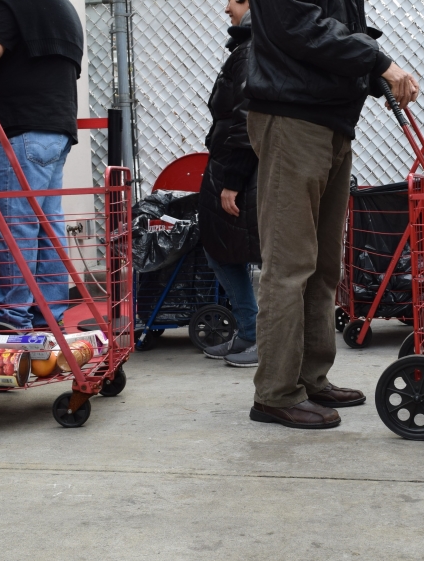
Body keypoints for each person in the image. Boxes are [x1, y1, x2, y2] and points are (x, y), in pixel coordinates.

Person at [245, 0, 419, 429]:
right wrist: (379, 61)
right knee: (289, 265)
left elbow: (338, 30)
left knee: (324, 265)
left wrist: (370, 71)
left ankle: (309, 377)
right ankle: (276, 393)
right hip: (293, 115)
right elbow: (298, 26)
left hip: (331, 119)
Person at [0, 0, 84, 330]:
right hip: (56, 130)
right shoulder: (64, 10)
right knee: (49, 228)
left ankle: (11, 320)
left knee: (15, 229)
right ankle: (48, 318)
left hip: (18, 132)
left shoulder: (10, 4)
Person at [198, 0, 260, 368]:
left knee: (229, 249)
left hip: (239, 167)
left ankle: (258, 337)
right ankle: (251, 333)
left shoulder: (251, 49)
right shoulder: (249, 46)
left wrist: (233, 179)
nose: (226, 8)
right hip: (232, 162)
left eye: (235, 0)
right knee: (223, 249)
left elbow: (245, 118)